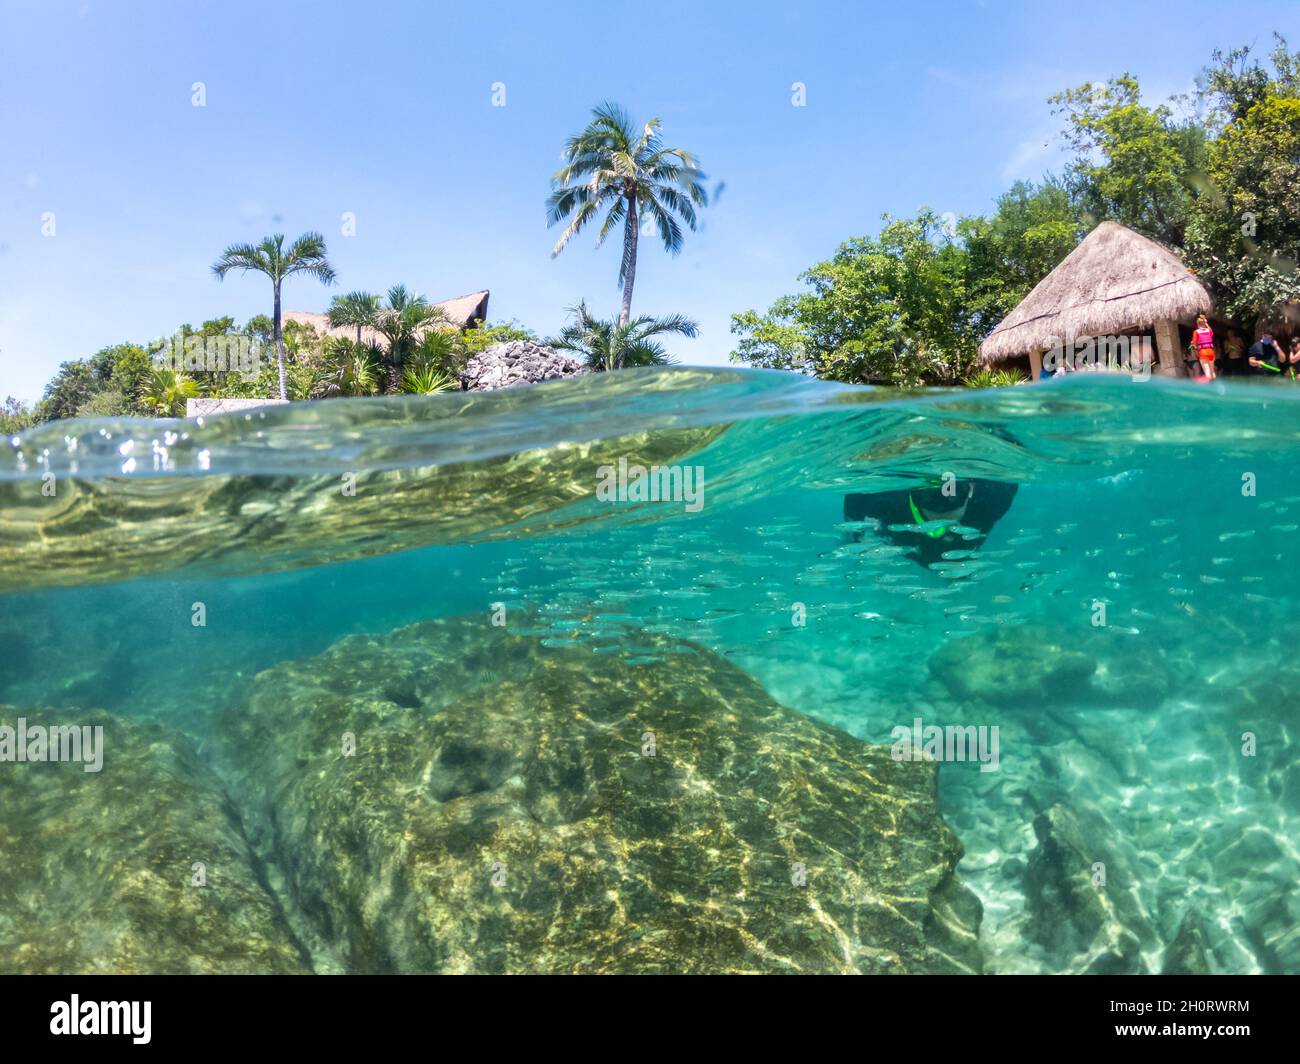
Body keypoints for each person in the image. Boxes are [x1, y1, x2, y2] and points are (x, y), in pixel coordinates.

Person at [843, 478, 1018, 569]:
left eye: (952, 495)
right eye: (928, 496)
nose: (940, 511)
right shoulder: (885, 506)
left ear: (971, 490)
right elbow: (854, 502)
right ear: (911, 492)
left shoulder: (993, 499)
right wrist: (854, 538)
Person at [1192, 314, 1216, 380]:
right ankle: (1214, 386)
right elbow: (1210, 331)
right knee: (1212, 372)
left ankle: (1210, 388)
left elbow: (1194, 344)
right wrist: (1206, 323)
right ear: (1204, 323)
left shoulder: (1196, 332)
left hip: (1202, 352)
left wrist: (1194, 345)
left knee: (1207, 373)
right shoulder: (1209, 330)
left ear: (1197, 324)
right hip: (1211, 352)